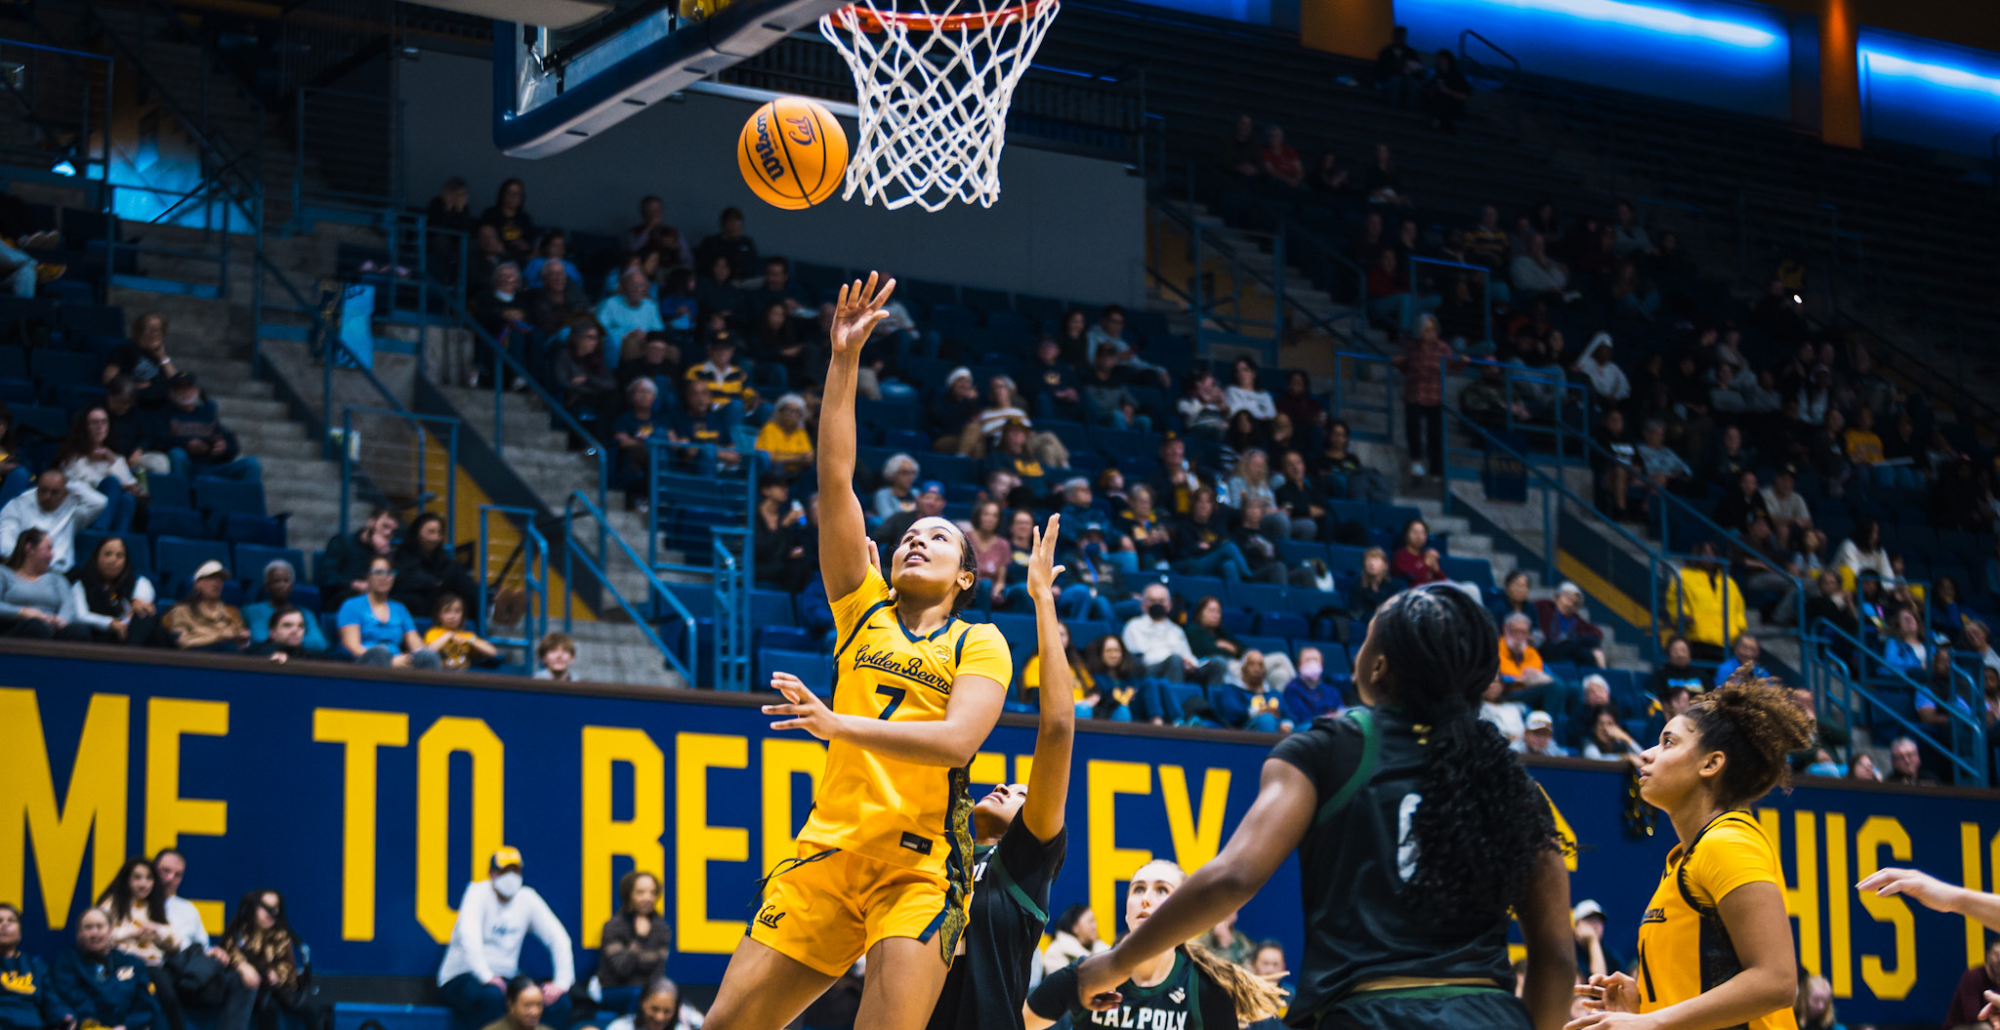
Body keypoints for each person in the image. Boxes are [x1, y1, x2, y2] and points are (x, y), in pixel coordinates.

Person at [703, 274, 1011, 1030]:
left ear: (966, 577)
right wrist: (843, 360)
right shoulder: (861, 607)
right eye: (909, 533)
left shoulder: (980, 640)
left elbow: (957, 742)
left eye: (939, 537)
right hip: (827, 851)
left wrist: (838, 725)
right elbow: (834, 477)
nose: (916, 538)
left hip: (919, 865)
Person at [1063, 586, 1575, 1030]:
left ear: (1378, 664)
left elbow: (1234, 877)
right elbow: (1554, 955)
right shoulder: (1510, 779)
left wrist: (1117, 962)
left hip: (1371, 1013)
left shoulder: (1331, 747)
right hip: (1491, 1014)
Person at [1570, 675, 1814, 1030]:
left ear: (1711, 764)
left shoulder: (1728, 842)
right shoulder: (1683, 859)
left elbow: (1776, 982)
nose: (1646, 753)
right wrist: (1642, 1008)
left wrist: (1653, 1021)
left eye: (1668, 742)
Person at [920, 513, 1076, 1030]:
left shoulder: (1025, 862)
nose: (1005, 785)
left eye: (1022, 794)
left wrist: (1043, 600)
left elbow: (1057, 728)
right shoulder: (938, 853)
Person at [1025, 859, 1284, 1030]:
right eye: (1138, 889)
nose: (1146, 899)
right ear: (1127, 912)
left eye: (1162, 890)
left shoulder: (1205, 988)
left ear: (1184, 912)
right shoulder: (1086, 975)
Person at [438, 849, 575, 1030]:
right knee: (492, 997)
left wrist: (561, 983)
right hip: (462, 977)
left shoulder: (527, 898)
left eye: (515, 871)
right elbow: (468, 936)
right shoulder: (477, 892)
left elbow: (559, 939)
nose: (510, 877)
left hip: (505, 981)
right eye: (504, 871)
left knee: (559, 1002)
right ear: (492, 873)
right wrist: (485, 975)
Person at [50, 908, 160, 1030]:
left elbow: (146, 1004)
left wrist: (127, 1026)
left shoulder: (132, 963)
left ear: (110, 930)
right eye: (88, 927)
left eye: (100, 927)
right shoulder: (67, 961)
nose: (94, 933)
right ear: (79, 933)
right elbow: (71, 997)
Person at [337, 557, 444, 669]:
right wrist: (390, 662)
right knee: (380, 652)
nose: (383, 577)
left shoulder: (399, 608)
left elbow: (416, 645)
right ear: (368, 576)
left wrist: (408, 658)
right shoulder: (351, 605)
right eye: (378, 572)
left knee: (427, 656)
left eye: (389, 573)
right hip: (365, 663)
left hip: (398, 660)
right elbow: (353, 648)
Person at [148, 374, 260, 481]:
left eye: (188, 388)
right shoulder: (163, 415)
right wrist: (186, 445)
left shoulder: (207, 413)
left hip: (213, 465)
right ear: (171, 393)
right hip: (187, 466)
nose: (185, 392)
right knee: (177, 453)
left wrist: (224, 446)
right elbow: (157, 441)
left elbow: (232, 444)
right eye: (180, 389)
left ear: (197, 391)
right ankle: (180, 492)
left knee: (252, 463)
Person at [0, 471, 106, 575]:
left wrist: (69, 484)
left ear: (65, 494)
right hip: (21, 570)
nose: (47, 496)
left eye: (55, 492)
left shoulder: (73, 512)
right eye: (43, 490)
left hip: (59, 572)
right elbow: (5, 543)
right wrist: (26, 563)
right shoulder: (18, 505)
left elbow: (100, 502)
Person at [1122, 583, 1225, 687]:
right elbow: (1139, 660)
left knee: (1218, 663)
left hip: (1181, 668)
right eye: (1152, 601)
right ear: (1143, 605)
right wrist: (1175, 659)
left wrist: (1190, 663)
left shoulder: (1176, 630)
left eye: (1161, 601)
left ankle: (1213, 696)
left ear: (1169, 605)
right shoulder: (1134, 626)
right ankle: (1175, 695)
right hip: (1151, 671)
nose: (1157, 604)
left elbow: (1187, 654)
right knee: (1175, 660)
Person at [56, 407, 141, 532]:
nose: (100, 427)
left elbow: (131, 485)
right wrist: (114, 484)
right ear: (85, 427)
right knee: (111, 482)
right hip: (83, 508)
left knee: (127, 500)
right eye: (94, 422)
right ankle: (98, 531)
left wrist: (112, 460)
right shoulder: (73, 458)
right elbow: (79, 485)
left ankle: (117, 539)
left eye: (104, 422)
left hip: (113, 510)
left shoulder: (116, 458)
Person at [597, 871, 671, 1012]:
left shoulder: (662, 928)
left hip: (647, 991)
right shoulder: (614, 926)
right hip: (615, 990)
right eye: (640, 892)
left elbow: (659, 973)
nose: (648, 898)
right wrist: (639, 939)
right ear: (629, 895)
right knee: (639, 996)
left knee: (670, 996)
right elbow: (622, 971)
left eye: (652, 893)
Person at [1391, 316, 1456, 477]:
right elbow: (1407, 368)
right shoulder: (1412, 347)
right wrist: (1399, 362)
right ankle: (1416, 461)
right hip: (1415, 393)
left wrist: (1462, 362)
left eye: (1431, 330)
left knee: (1435, 434)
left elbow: (1452, 367)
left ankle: (1436, 470)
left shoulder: (1443, 348)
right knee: (1412, 427)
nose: (1429, 333)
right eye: (1425, 329)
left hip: (1434, 395)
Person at [2, 529, 91, 640]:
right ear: (30, 549)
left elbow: (68, 604)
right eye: (48, 548)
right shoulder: (4, 573)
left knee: (79, 631)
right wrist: (22, 612)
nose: (52, 555)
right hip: (16, 627)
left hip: (51, 628)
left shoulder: (56, 578)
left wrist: (60, 620)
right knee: (35, 626)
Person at [0, 902, 73, 1030]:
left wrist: (63, 1017)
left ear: (20, 933)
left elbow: (52, 1003)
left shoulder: (36, 966)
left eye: (11, 920)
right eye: (0, 920)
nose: (5, 925)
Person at [393, 512, 480, 617]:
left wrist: (438, 583)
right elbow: (406, 580)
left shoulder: (441, 556)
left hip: (438, 602)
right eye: (431, 532)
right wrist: (434, 582)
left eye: (439, 533)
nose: (435, 537)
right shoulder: (403, 554)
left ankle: (481, 615)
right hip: (415, 603)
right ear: (417, 532)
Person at [160, 560, 249, 652]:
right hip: (197, 655)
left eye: (220, 579)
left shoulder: (230, 612)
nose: (217, 583)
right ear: (197, 584)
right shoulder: (181, 611)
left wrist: (244, 639)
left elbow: (244, 643)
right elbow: (183, 641)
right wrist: (218, 637)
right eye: (211, 578)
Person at [243, 561, 328, 652]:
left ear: (291, 586)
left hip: (298, 658)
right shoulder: (250, 612)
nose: (281, 585)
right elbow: (251, 640)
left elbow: (319, 644)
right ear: (267, 586)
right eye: (276, 581)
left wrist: (287, 642)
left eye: (286, 581)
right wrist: (293, 640)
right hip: (262, 657)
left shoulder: (306, 614)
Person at [321, 509, 398, 608]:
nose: (388, 533)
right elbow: (328, 576)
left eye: (393, 531)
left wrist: (384, 556)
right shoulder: (342, 542)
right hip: (342, 598)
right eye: (385, 526)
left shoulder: (386, 552)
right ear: (371, 521)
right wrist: (355, 584)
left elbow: (393, 581)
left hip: (375, 601)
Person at [424, 595, 499, 671]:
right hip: (440, 674)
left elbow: (492, 652)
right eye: (447, 611)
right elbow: (429, 651)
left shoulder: (467, 636)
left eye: (457, 611)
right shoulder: (433, 632)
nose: (452, 616)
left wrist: (469, 640)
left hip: (463, 675)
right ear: (439, 615)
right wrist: (449, 635)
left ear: (462, 615)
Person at [602, 979, 700, 1030]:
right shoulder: (621, 1027)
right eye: (654, 1009)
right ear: (642, 1003)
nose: (659, 1017)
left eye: (667, 1011)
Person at [754, 394, 815, 476]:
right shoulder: (770, 428)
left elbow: (808, 457)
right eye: (788, 410)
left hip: (796, 473)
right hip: (772, 474)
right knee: (777, 467)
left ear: (801, 416)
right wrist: (796, 458)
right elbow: (770, 459)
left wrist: (802, 459)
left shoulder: (801, 432)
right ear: (780, 412)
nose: (792, 414)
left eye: (796, 412)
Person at [1281, 647, 1343, 725]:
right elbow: (1302, 717)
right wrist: (1325, 718)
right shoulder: (1292, 689)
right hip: (1308, 727)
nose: (1312, 663)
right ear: (1299, 666)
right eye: (1307, 660)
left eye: (1315, 660)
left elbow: (1341, 712)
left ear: (1322, 665)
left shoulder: (1332, 691)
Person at [481, 179, 537, 261]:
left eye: (517, 194)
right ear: (502, 194)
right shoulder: (490, 214)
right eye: (510, 193)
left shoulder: (525, 218)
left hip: (520, 258)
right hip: (496, 255)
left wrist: (524, 245)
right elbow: (483, 236)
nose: (513, 197)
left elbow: (531, 243)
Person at [248, 608, 320, 664]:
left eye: (300, 626)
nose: (295, 630)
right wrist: (268, 656)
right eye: (287, 625)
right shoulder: (255, 653)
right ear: (273, 632)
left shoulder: (312, 658)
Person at [1422, 50, 1471, 131]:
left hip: (1452, 106)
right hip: (1438, 105)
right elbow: (1428, 90)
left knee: (1443, 100)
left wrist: (1448, 91)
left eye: (1442, 60)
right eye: (1438, 60)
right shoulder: (1438, 77)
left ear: (1449, 61)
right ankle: (1437, 121)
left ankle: (1437, 121)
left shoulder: (1457, 77)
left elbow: (1465, 96)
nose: (1440, 62)